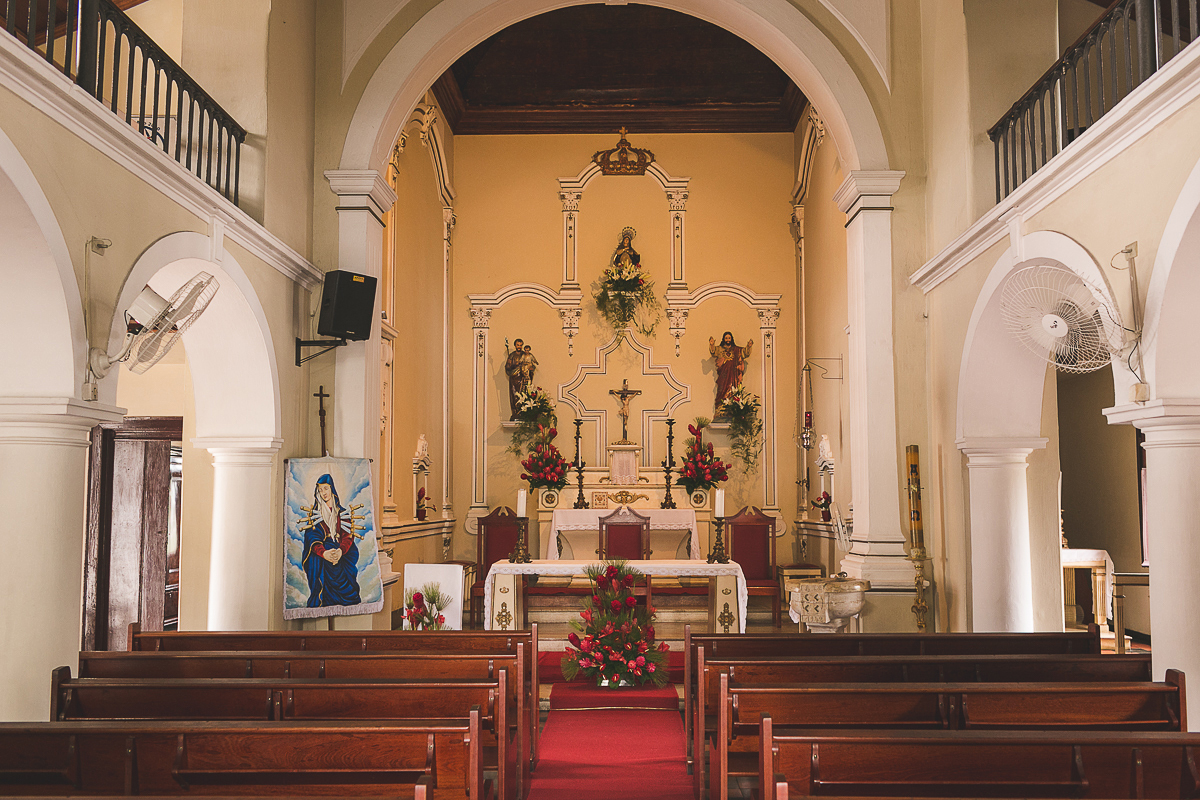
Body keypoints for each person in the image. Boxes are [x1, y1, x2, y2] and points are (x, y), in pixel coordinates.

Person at [301, 473, 362, 607]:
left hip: (340, 555)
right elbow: (312, 537)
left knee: (350, 593)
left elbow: (348, 536)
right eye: (320, 490)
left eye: (326, 488)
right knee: (324, 596)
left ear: (332, 489)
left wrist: (340, 551)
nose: (323, 493)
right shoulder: (315, 515)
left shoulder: (343, 513)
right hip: (323, 560)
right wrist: (324, 553)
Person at [709, 331, 753, 418]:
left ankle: (732, 409)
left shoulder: (736, 350)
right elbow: (714, 352)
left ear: (731, 339)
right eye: (726, 338)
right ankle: (720, 409)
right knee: (722, 391)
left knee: (733, 391)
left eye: (729, 338)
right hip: (723, 376)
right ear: (723, 339)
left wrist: (748, 346)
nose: (727, 340)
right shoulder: (720, 349)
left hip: (733, 376)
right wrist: (712, 344)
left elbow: (744, 353)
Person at [504, 338, 525, 420]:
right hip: (514, 378)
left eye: (520, 345)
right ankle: (515, 413)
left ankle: (522, 412)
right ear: (515, 345)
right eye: (517, 345)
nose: (519, 347)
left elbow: (529, 364)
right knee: (514, 396)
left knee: (523, 395)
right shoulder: (512, 355)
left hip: (522, 378)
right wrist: (512, 366)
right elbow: (508, 366)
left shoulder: (524, 355)